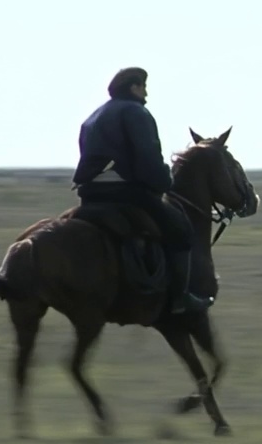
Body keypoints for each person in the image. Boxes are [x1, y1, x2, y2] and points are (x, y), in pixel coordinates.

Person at [70, 67, 212, 314]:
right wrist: (164, 182)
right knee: (181, 229)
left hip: (90, 194)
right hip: (126, 192)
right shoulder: (137, 113)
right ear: (134, 87)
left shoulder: (92, 118)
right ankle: (180, 299)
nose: (146, 92)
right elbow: (147, 158)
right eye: (143, 86)